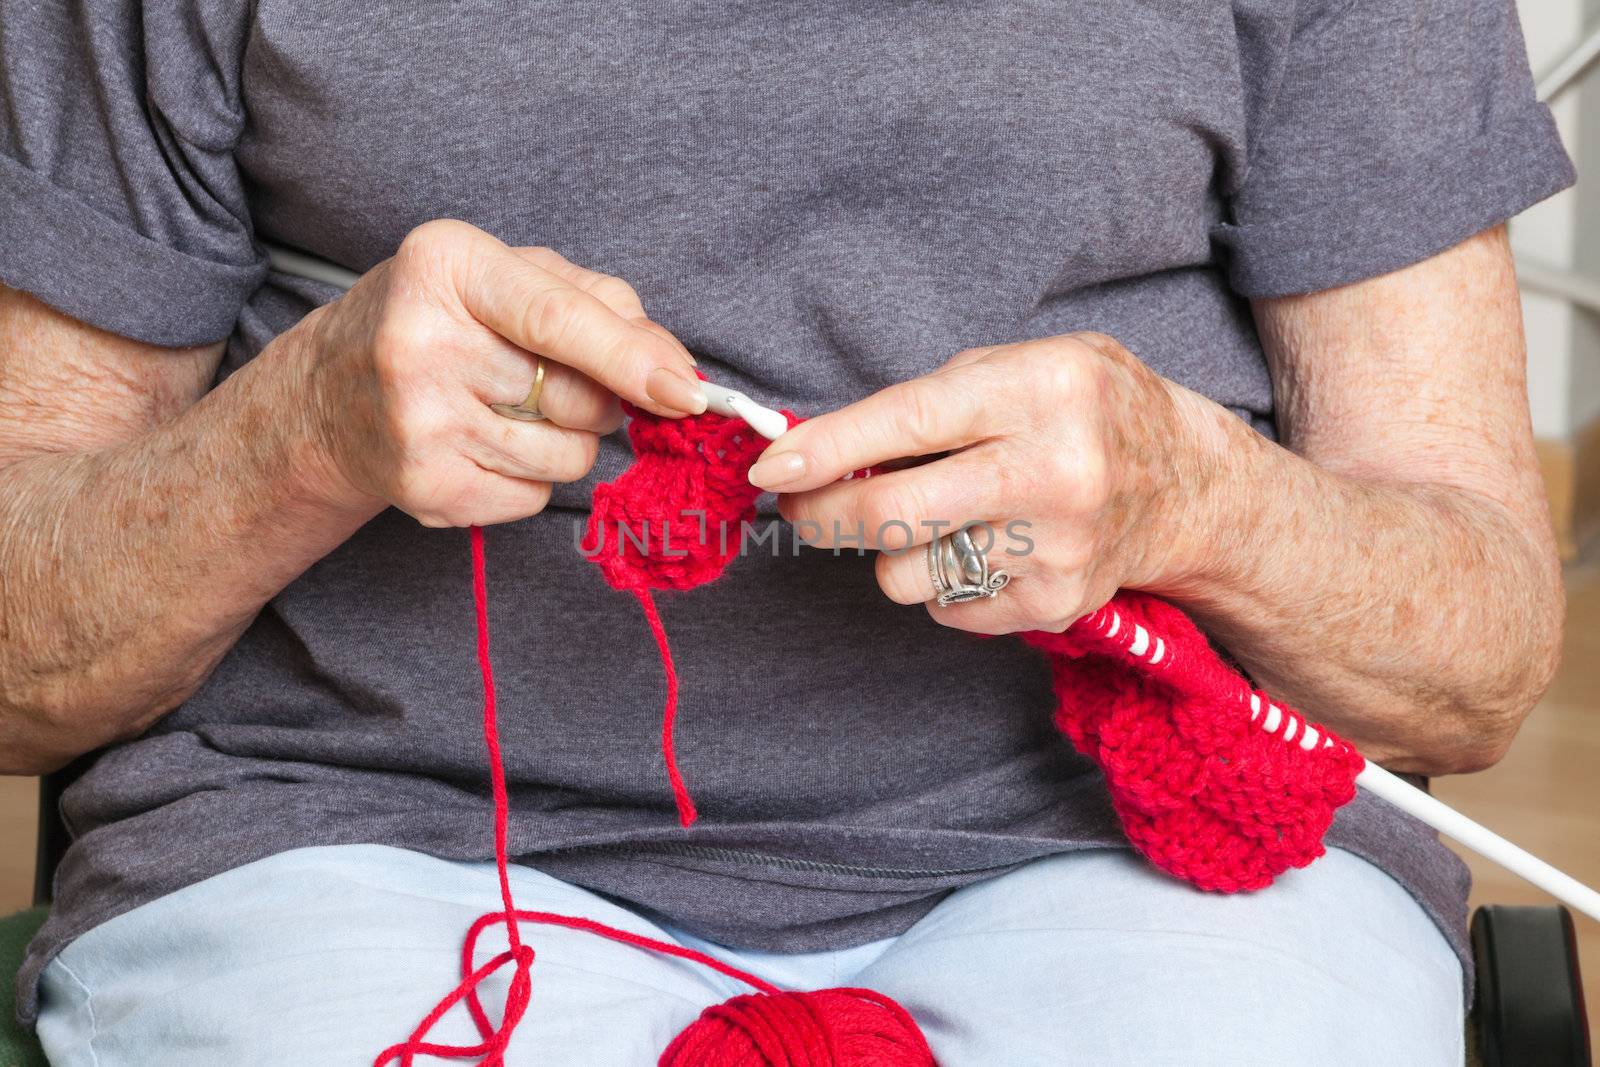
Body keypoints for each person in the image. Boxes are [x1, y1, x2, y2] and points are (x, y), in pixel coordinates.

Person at [0, 1, 1575, 1063]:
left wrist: (1201, 500)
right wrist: (297, 431)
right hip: (350, 853)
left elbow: (1475, 659)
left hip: (1148, 869)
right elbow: (22, 665)